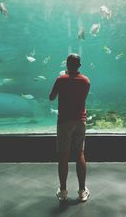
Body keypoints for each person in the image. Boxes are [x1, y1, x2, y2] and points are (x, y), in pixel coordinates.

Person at [49, 53, 90, 202]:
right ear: (79, 65)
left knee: (64, 156)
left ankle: (64, 191)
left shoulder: (61, 80)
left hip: (64, 122)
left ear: (66, 64)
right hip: (80, 121)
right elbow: (81, 98)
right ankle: (82, 191)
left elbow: (51, 97)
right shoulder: (86, 81)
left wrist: (62, 83)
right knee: (79, 154)